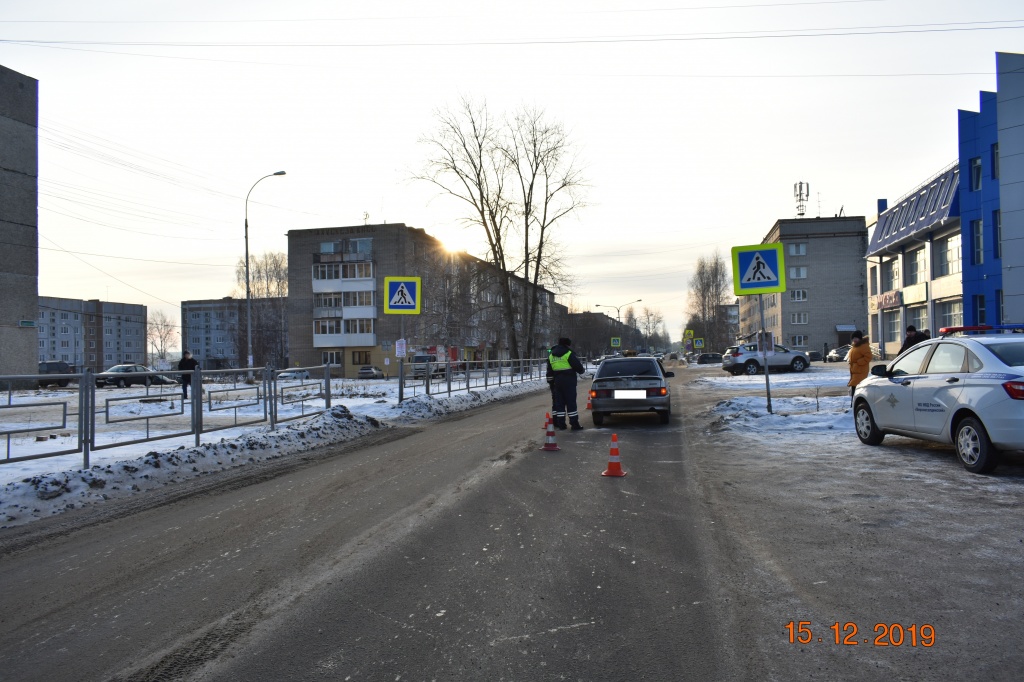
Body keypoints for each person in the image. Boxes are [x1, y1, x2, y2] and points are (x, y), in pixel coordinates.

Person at [546, 337, 586, 431]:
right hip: (569, 383)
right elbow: (578, 367)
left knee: (559, 404)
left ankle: (561, 425)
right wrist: (582, 371)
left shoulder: (552, 355)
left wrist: (551, 384)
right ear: (567, 344)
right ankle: (574, 424)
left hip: (557, 383)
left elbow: (549, 371)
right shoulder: (568, 353)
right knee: (571, 403)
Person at [847, 330, 872, 404]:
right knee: (854, 388)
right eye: (853, 338)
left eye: (856, 338)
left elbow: (868, 357)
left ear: (860, 338)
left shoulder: (863, 346)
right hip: (855, 371)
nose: (854, 339)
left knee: (857, 388)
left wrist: (858, 363)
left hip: (860, 371)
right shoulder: (855, 346)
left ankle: (855, 405)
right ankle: (854, 405)